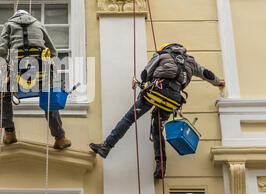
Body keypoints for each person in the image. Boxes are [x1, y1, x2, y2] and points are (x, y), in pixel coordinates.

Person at [89, 43, 225, 178]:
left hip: (156, 93)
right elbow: (206, 74)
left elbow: (145, 73)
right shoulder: (190, 61)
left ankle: (106, 146)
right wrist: (219, 83)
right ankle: (161, 166)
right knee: (157, 129)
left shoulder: (161, 55)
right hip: (173, 100)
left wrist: (146, 82)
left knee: (129, 118)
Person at [0, 9, 71, 150]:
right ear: (29, 15)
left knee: (3, 94)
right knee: (50, 99)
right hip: (41, 72)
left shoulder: (9, 24)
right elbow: (52, 50)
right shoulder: (39, 24)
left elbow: (2, 47)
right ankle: (60, 138)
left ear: (15, 15)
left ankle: (10, 133)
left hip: (19, 72)